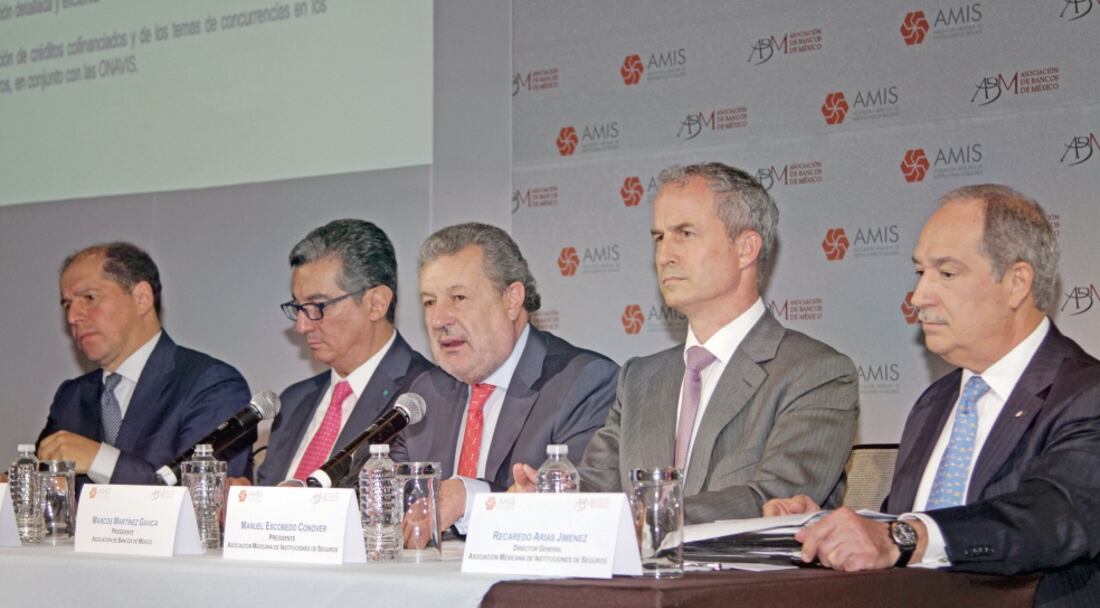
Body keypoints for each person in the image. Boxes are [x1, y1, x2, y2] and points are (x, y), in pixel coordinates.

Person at [765, 184, 1100, 608]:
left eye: (946, 272)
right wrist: (824, 531)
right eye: (920, 272)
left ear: (1016, 283)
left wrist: (901, 537)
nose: (919, 296)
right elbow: (898, 533)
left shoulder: (1085, 395)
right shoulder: (935, 403)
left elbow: (1049, 517)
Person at [513, 163, 859, 523]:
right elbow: (598, 485)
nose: (665, 255)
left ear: (745, 248)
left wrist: (649, 514)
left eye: (685, 233)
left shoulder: (816, 373)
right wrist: (551, 496)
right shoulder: (639, 379)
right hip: (640, 577)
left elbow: (775, 500)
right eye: (659, 237)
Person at [392, 222, 618, 532]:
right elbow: (391, 504)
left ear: (511, 299)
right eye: (429, 302)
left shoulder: (583, 383)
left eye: (458, 298)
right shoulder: (425, 395)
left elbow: (583, 510)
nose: (439, 319)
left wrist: (470, 500)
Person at [37, 242, 252, 485]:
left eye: (89, 297)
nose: (73, 317)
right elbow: (40, 486)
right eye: (67, 304)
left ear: (142, 298)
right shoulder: (71, 397)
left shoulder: (213, 384)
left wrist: (101, 460)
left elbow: (202, 494)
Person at [256, 219, 433, 486]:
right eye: (298, 307)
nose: (302, 326)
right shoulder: (294, 401)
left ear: (376, 303)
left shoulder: (426, 396)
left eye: (317, 306)